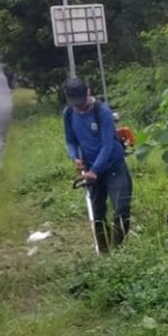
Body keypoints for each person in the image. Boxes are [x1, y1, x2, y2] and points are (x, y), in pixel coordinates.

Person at [62, 76, 131, 251]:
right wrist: (75, 158)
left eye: (82, 101)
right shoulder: (69, 114)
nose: (80, 106)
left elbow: (108, 145)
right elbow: (71, 141)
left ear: (88, 92)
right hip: (91, 171)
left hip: (113, 167)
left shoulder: (102, 112)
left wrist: (95, 170)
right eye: (75, 103)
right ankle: (104, 251)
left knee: (121, 209)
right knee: (97, 213)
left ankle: (119, 250)